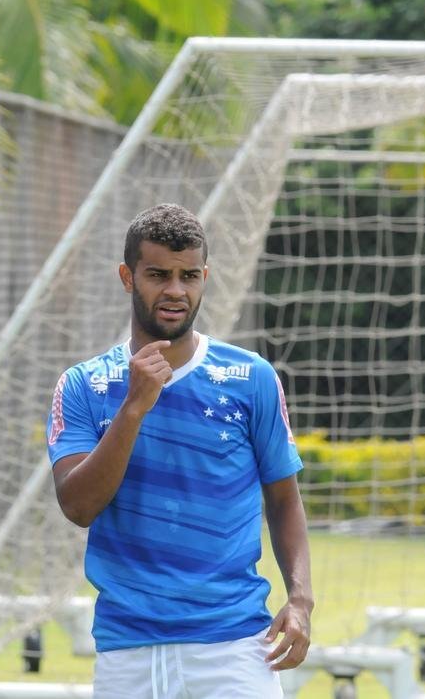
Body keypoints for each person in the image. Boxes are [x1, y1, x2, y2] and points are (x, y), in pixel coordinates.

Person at [47, 203, 312, 698]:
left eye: (188, 276)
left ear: (204, 278)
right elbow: (78, 506)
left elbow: (284, 500)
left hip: (234, 647)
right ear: (127, 277)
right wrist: (132, 409)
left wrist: (300, 598)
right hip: (128, 650)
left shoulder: (251, 378)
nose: (175, 290)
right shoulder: (83, 385)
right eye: (158, 275)